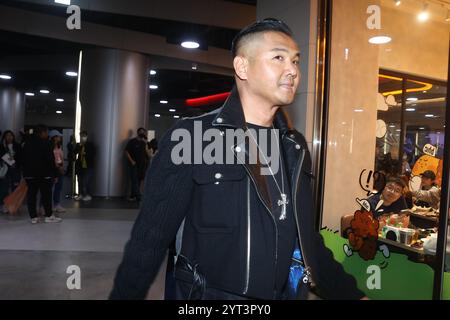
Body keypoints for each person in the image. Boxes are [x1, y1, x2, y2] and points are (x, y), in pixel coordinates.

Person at [110, 19, 365, 300]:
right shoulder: (194, 137)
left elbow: (307, 242)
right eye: (278, 58)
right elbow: (150, 239)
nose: (292, 70)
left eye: (295, 61)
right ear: (242, 67)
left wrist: (354, 295)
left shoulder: (293, 147)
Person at [21, 124, 61, 224]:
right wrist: (55, 174)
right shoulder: (46, 143)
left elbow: (23, 159)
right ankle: (49, 216)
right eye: (46, 132)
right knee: (46, 195)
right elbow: (50, 160)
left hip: (30, 175)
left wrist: (25, 174)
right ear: (42, 133)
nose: (47, 134)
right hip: (44, 174)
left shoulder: (27, 143)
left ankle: (33, 217)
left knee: (31, 195)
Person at [124, 128, 151, 201]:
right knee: (135, 180)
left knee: (138, 180)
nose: (142, 133)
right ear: (138, 132)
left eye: (144, 132)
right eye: (141, 132)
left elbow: (148, 154)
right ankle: (139, 197)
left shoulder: (144, 143)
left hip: (142, 165)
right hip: (134, 164)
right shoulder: (132, 141)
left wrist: (147, 145)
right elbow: (126, 151)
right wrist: (132, 161)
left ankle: (133, 196)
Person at [0, 130, 22, 213]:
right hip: (5, 169)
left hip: (16, 170)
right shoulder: (2, 146)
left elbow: (20, 157)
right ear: (4, 137)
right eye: (7, 135)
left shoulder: (17, 146)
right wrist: (11, 162)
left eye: (11, 135)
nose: (9, 137)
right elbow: (2, 155)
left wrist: (16, 164)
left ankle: (14, 204)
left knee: (15, 188)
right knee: (4, 188)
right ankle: (3, 205)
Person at [74, 131, 95, 201]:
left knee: (86, 181)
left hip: (88, 166)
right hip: (80, 166)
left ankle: (88, 195)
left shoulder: (90, 144)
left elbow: (92, 154)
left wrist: (85, 153)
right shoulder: (79, 145)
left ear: (86, 136)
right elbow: (74, 152)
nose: (82, 137)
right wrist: (79, 146)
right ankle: (81, 194)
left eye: (83, 136)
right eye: (81, 136)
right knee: (80, 181)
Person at [49, 130, 66, 214]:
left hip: (59, 169)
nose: (60, 138)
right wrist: (58, 167)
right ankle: (45, 205)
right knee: (48, 188)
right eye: (58, 136)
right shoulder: (49, 147)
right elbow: (52, 159)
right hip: (52, 170)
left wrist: (62, 167)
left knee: (58, 188)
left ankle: (57, 204)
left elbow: (60, 158)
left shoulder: (59, 147)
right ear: (54, 137)